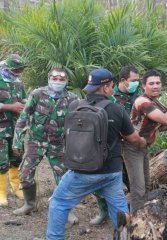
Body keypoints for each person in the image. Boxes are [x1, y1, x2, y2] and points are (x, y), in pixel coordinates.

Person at [46, 68, 147, 239]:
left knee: (59, 202)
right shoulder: (117, 109)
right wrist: (144, 142)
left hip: (82, 170)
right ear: (106, 88)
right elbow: (133, 139)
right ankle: (124, 237)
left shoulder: (75, 106)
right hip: (111, 172)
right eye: (111, 85)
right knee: (119, 209)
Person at [12, 69, 79, 224]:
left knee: (63, 177)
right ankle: (30, 204)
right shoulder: (37, 94)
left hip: (58, 143)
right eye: (54, 78)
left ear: (66, 81)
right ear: (48, 78)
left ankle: (66, 210)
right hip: (36, 141)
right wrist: (18, 140)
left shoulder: (72, 98)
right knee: (25, 173)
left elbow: (77, 123)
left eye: (61, 79)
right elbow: (24, 117)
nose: (57, 81)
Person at [126, 69, 167, 213]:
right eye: (151, 83)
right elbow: (165, 119)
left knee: (146, 186)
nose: (155, 86)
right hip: (131, 147)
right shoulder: (142, 102)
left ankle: (143, 216)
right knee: (138, 188)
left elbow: (162, 126)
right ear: (143, 86)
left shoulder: (155, 101)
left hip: (143, 147)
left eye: (158, 83)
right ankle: (135, 221)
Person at [89, 65, 141, 225]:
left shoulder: (138, 95)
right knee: (103, 180)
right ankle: (104, 211)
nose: (136, 84)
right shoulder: (110, 97)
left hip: (132, 146)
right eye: (133, 81)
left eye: (138, 81)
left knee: (133, 182)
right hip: (112, 147)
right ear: (123, 81)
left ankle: (133, 213)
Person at [0, 54, 27, 206]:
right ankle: (2, 193)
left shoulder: (17, 82)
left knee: (16, 157)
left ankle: (16, 188)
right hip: (0, 129)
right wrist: (9, 107)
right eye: (15, 71)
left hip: (16, 127)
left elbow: (23, 99)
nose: (17, 74)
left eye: (20, 71)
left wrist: (27, 106)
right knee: (1, 160)